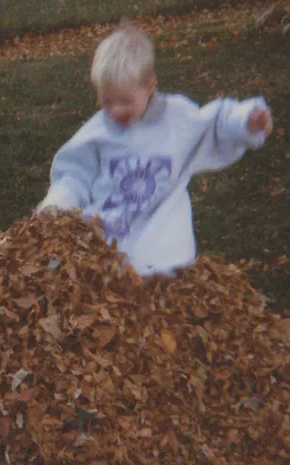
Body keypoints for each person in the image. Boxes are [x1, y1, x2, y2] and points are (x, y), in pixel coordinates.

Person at [37, 22, 273, 277]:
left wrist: (245, 120)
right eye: (106, 101)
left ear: (149, 88)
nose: (116, 110)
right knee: (109, 303)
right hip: (109, 247)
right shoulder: (97, 135)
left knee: (165, 305)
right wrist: (56, 206)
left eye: (126, 101)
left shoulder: (176, 119)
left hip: (164, 246)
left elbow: (214, 122)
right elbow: (74, 176)